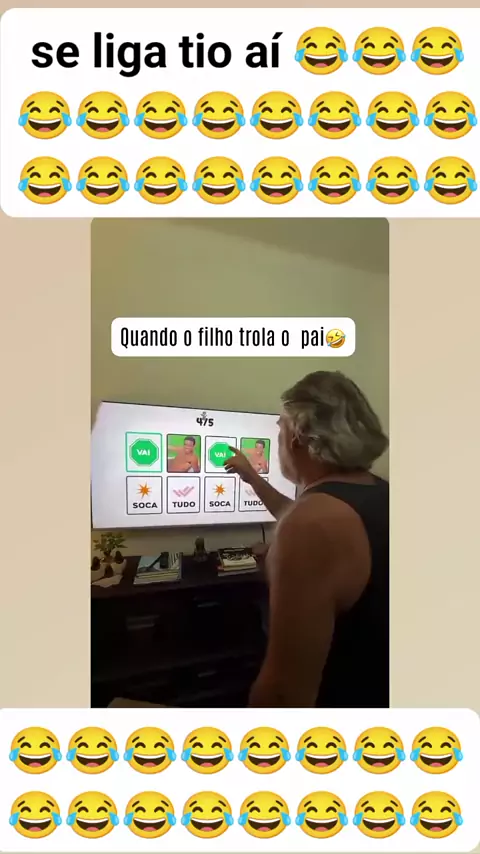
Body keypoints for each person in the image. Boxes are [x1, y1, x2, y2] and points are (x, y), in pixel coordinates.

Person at [224, 370, 389, 708]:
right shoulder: (379, 492)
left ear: (297, 435)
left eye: (280, 429)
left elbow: (283, 695)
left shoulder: (311, 524)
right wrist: (252, 477)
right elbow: (305, 515)